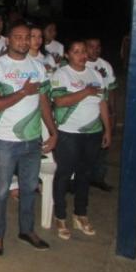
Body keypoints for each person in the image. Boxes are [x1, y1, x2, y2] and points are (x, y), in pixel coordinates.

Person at [0, 22, 58, 256]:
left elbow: (44, 101)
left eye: (28, 37)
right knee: (2, 190)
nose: (24, 41)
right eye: (18, 37)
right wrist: (23, 92)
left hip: (32, 139)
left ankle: (27, 230)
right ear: (8, 39)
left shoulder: (38, 66)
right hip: (6, 140)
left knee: (29, 187)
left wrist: (53, 131)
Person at [50, 39, 111, 240]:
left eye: (84, 51)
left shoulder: (95, 74)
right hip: (69, 133)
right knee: (64, 175)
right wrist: (85, 92)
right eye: (76, 51)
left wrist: (107, 130)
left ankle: (81, 214)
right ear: (67, 55)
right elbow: (59, 101)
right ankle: (60, 216)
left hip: (92, 133)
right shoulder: (62, 74)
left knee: (85, 174)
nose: (82, 55)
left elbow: (102, 103)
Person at [85, 37, 117, 192]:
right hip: (84, 111)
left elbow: (110, 90)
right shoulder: (80, 63)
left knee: (103, 147)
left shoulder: (105, 65)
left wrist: (113, 111)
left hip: (101, 110)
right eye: (91, 46)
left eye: (98, 46)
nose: (95, 49)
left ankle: (98, 178)